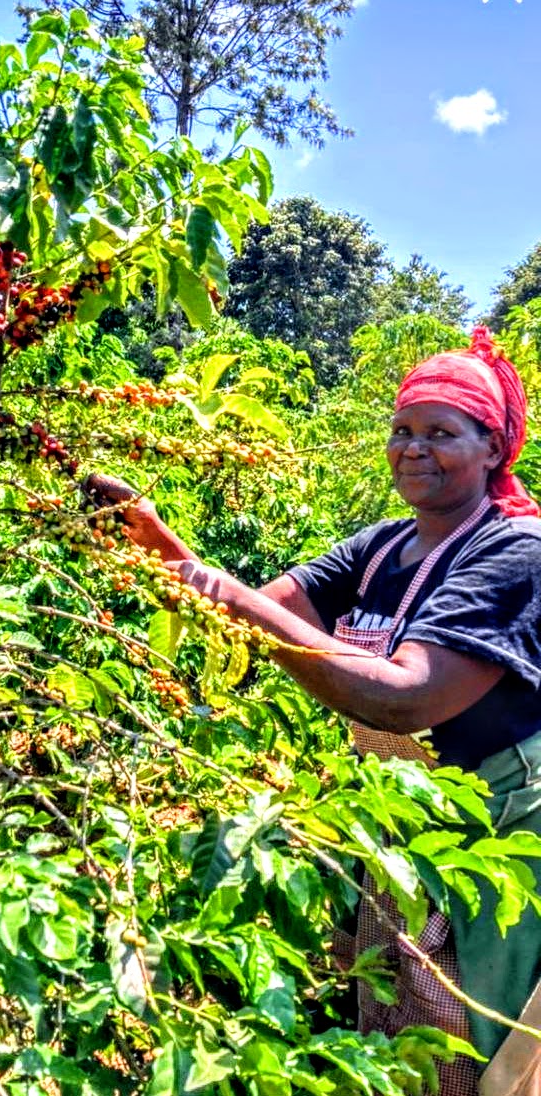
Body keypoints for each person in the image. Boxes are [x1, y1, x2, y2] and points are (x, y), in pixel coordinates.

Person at [86, 326, 541, 1096]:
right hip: (402, 821)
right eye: (402, 431)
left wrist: (213, 586)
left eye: (441, 433)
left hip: (500, 828)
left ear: (494, 448)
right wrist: (162, 555)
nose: (412, 449)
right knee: (402, 1029)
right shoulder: (382, 548)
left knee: (491, 1050)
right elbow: (258, 617)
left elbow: (404, 696)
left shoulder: (517, 551)